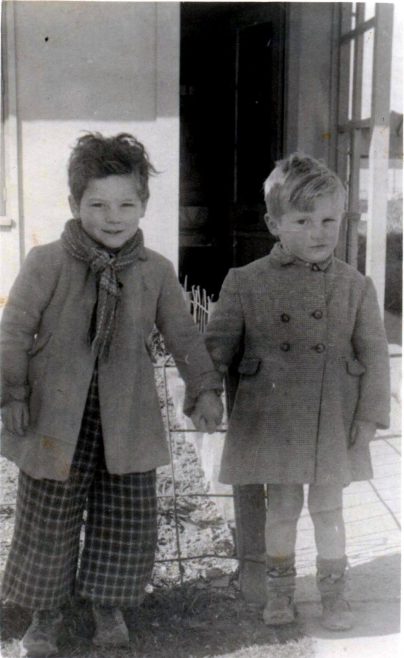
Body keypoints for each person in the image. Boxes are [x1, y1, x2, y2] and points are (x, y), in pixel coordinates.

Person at [0, 132, 223, 656]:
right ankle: (44, 616)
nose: (113, 216)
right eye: (97, 204)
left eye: (127, 203)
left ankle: (108, 608)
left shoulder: (155, 271)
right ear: (75, 204)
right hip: (56, 422)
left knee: (124, 519)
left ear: (144, 205)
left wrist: (205, 388)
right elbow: (13, 330)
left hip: (126, 420)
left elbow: (183, 335)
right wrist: (11, 392)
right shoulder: (46, 262)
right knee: (47, 520)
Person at [205, 153, 390, 631]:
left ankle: (334, 597)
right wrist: (204, 394)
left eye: (329, 219)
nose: (318, 232)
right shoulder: (246, 283)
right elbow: (215, 350)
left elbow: (374, 358)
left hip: (333, 418)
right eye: (303, 220)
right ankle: (280, 592)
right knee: (282, 508)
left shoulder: (355, 287)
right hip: (275, 418)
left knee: (329, 509)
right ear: (274, 223)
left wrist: (368, 418)